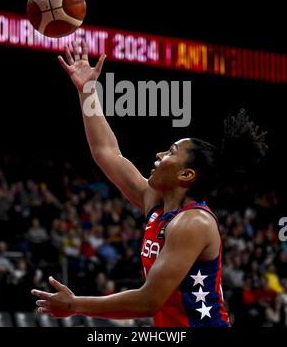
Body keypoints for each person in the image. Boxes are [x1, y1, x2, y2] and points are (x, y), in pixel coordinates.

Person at [32, 40, 267, 327]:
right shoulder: (155, 202)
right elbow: (106, 152)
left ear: (186, 175)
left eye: (171, 152)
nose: (159, 154)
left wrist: (75, 304)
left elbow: (148, 301)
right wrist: (87, 91)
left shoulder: (193, 223)